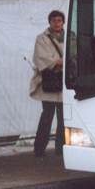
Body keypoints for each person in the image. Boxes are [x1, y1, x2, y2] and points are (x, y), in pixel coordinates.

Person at [29, 10, 65, 157]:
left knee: (64, 118)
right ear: (49, 22)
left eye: (59, 20)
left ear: (63, 22)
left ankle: (61, 149)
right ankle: (39, 149)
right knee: (47, 116)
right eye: (54, 20)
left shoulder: (70, 36)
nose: (57, 23)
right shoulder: (41, 38)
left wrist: (62, 62)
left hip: (64, 82)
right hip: (49, 81)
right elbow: (40, 57)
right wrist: (58, 62)